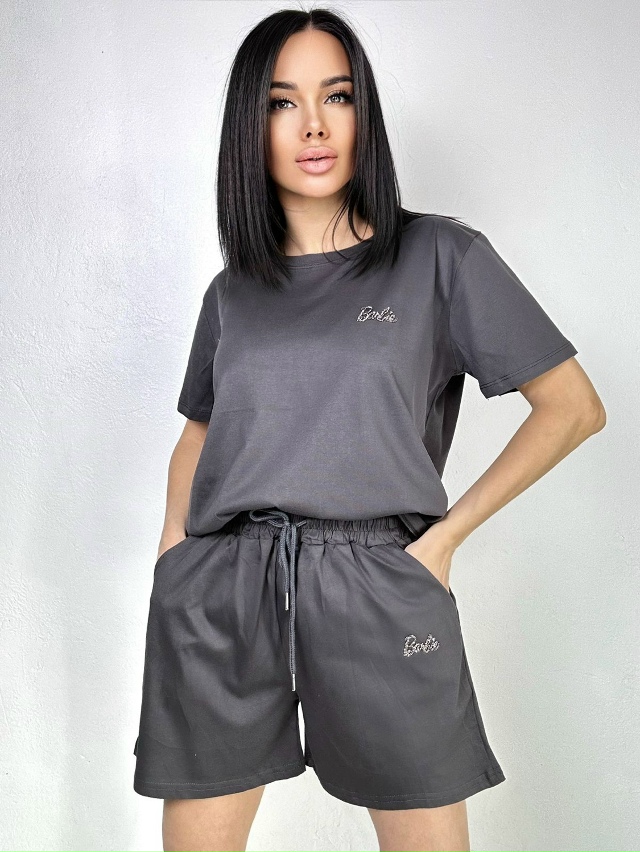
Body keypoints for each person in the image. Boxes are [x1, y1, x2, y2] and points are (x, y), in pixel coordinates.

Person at [132, 8, 605, 852]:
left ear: (363, 114)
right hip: (224, 587)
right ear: (251, 129)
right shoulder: (232, 293)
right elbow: (200, 430)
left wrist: (441, 543)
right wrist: (175, 556)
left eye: (338, 96)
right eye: (283, 103)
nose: (314, 125)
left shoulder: (438, 256)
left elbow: (572, 407)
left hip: (378, 582)